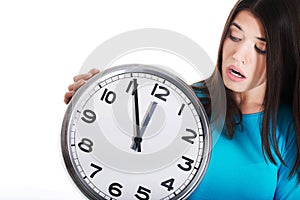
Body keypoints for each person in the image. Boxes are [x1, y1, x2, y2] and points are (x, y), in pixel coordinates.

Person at [64, 0, 300, 199]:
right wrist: (96, 95)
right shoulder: (179, 100)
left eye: (261, 49)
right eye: (235, 36)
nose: (238, 56)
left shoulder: (289, 129)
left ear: (285, 57)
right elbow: (123, 152)